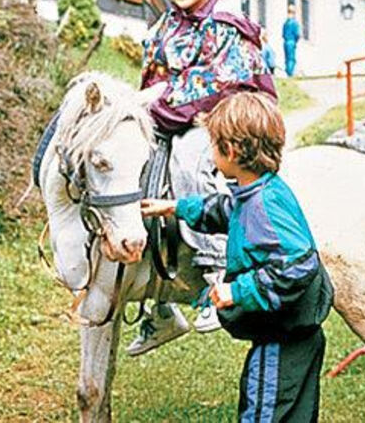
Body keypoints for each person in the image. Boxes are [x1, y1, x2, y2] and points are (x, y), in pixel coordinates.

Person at [141, 93, 333, 422]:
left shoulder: (263, 205)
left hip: (280, 341)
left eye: (213, 144)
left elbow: (299, 264)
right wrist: (176, 207)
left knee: (260, 412)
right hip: (295, 336)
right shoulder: (260, 191)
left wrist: (238, 291)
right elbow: (225, 210)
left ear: (229, 151)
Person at [130, 0, 276, 356]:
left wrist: (166, 107)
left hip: (228, 114)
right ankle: (156, 305)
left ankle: (216, 271)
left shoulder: (226, 23)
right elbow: (156, 76)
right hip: (178, 111)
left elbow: (220, 84)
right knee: (136, 163)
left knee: (191, 158)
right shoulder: (168, 24)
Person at [282, 4, 300, 77]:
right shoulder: (294, 23)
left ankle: (287, 72)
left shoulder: (285, 23)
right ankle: (290, 74)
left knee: (286, 58)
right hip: (291, 41)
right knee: (291, 59)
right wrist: (295, 41)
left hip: (286, 42)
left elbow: (283, 34)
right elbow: (297, 34)